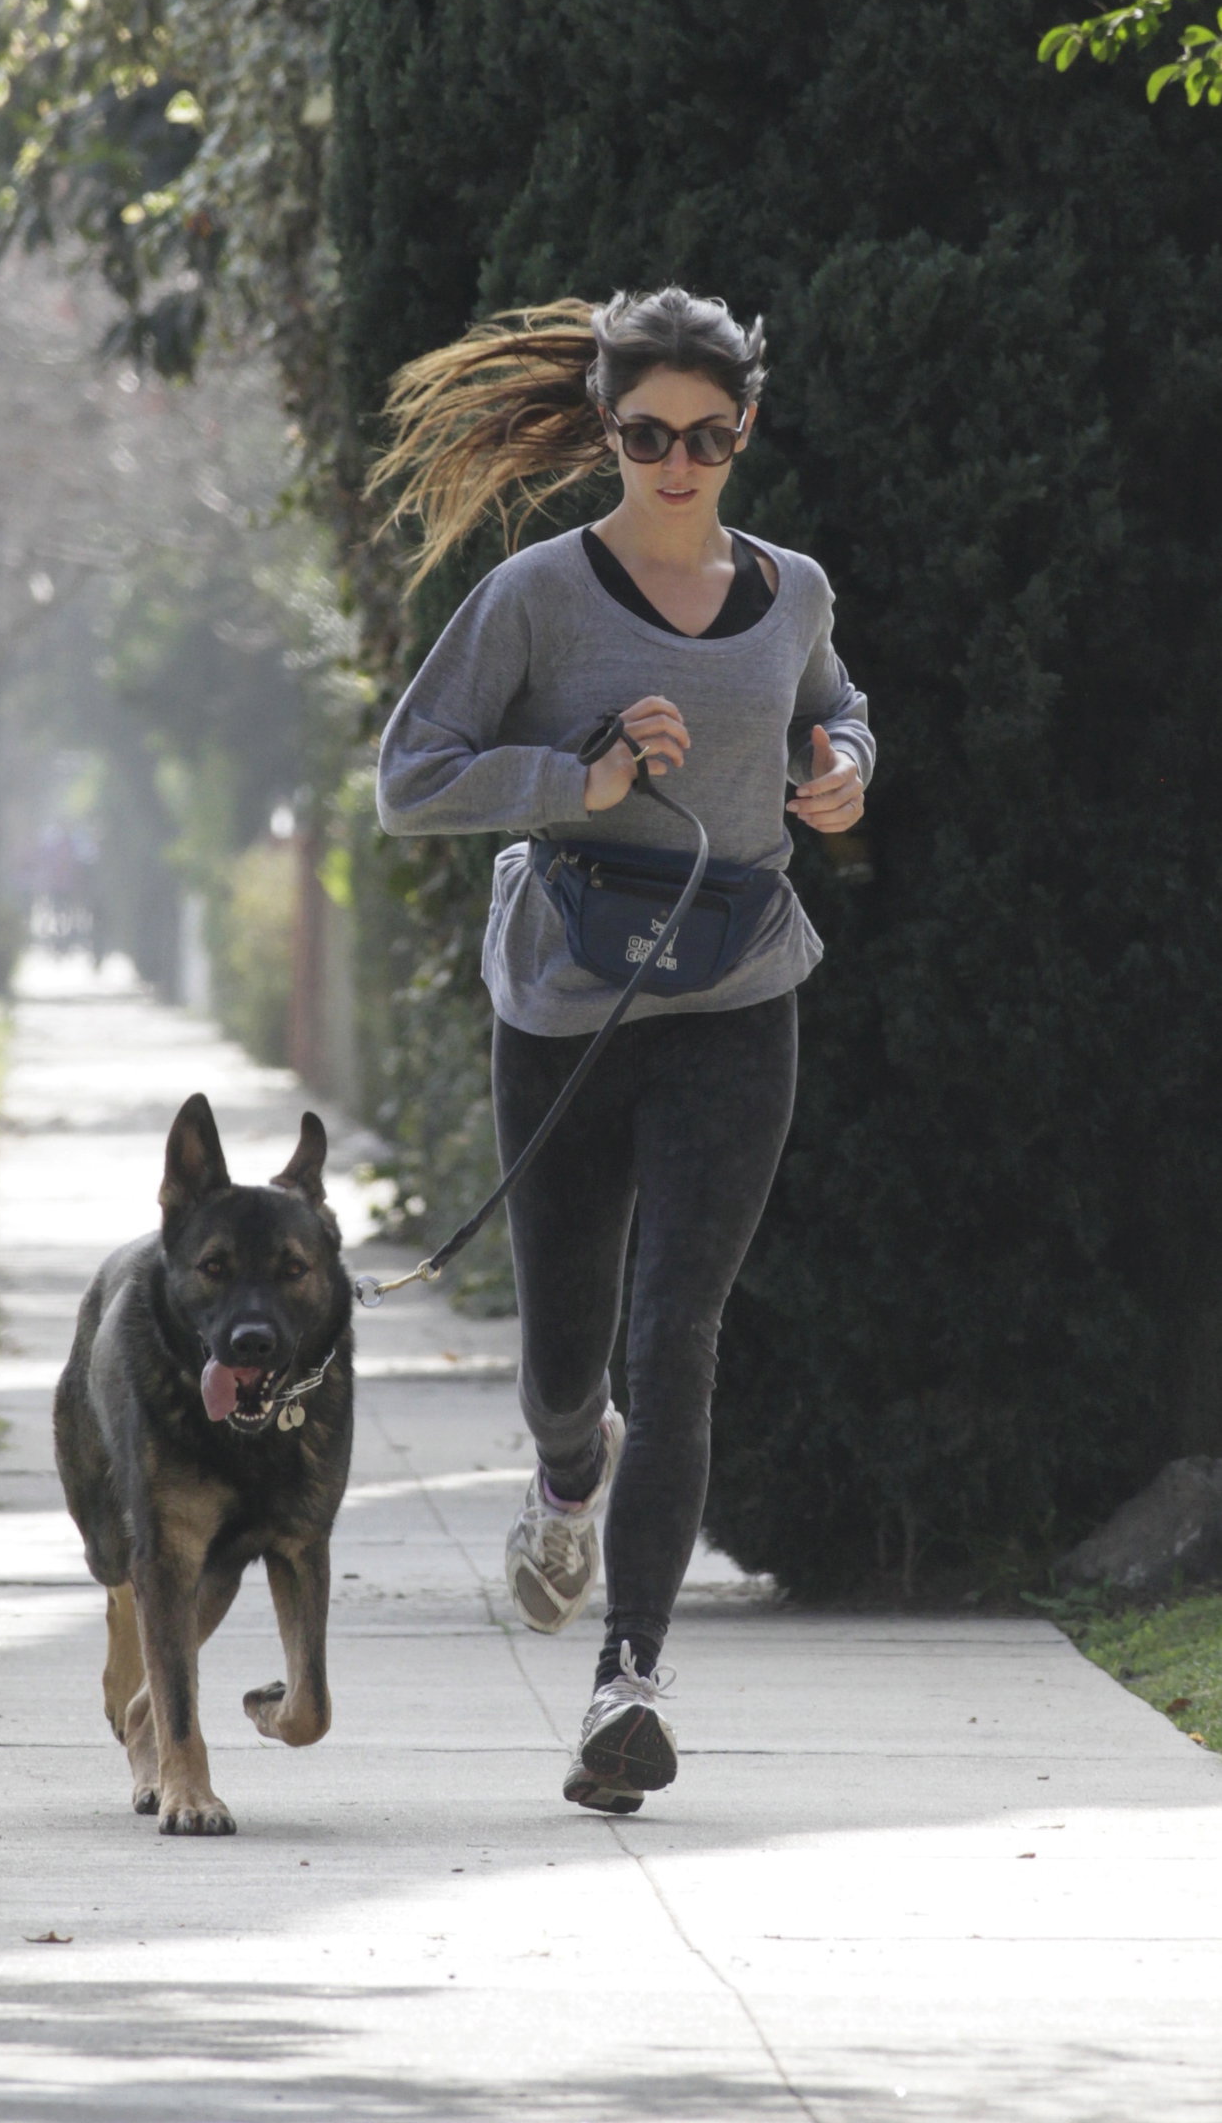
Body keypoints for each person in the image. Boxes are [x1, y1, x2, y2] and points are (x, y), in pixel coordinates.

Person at [373, 289, 874, 1814]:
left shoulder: (790, 590)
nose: (676, 462)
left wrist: (843, 765)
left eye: (706, 438)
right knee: (566, 1353)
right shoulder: (536, 592)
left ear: (742, 435)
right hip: (568, 1005)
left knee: (677, 1342)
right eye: (647, 435)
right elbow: (412, 777)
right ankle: (560, 1474)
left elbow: (833, 702)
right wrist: (577, 776)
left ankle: (628, 1680)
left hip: (737, 994)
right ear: (606, 433)